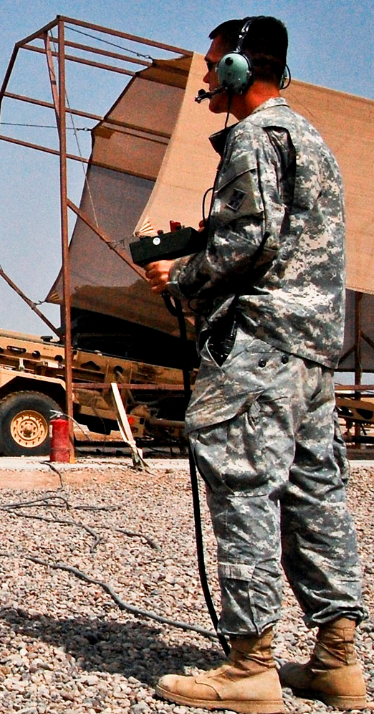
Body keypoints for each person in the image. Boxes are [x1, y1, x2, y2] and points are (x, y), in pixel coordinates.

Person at [144, 16, 369, 713]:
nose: (206, 78)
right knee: (313, 495)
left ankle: (249, 668)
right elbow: (275, 230)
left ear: (241, 70)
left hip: (257, 346)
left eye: (213, 66)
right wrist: (201, 236)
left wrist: (178, 276)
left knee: (243, 490)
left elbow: (250, 239)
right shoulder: (306, 138)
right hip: (307, 349)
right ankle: (337, 664)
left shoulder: (251, 136)